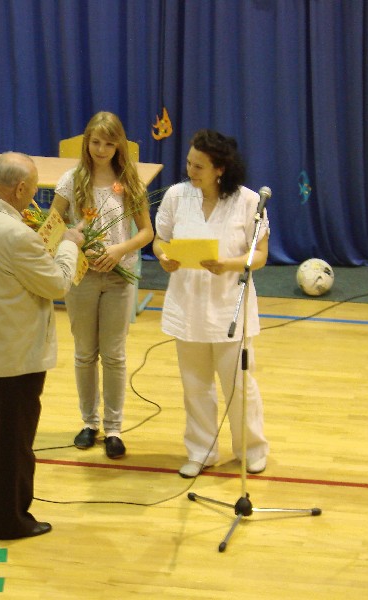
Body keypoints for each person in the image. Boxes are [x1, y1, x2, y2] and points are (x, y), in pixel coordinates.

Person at [0, 151, 85, 540]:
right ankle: (9, 519)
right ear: (20, 188)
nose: (35, 195)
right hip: (14, 357)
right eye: (33, 188)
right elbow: (57, 284)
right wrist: (69, 243)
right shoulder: (16, 235)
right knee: (13, 444)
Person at [152, 129, 270, 478]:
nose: (191, 170)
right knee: (195, 386)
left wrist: (228, 265)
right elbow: (160, 240)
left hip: (228, 307)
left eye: (199, 166)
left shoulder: (248, 201)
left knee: (240, 386)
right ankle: (201, 451)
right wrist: (163, 257)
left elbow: (260, 255)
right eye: (189, 163)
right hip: (187, 305)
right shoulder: (176, 196)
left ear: (220, 169)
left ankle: (251, 449)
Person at [52, 111, 154, 459]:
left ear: (119, 146)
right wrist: (74, 240)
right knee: (84, 353)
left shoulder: (129, 181)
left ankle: (113, 428)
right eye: (95, 142)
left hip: (117, 277)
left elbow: (146, 232)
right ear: (87, 142)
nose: (101, 149)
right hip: (81, 276)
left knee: (113, 355)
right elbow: (53, 224)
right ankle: (89, 422)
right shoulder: (71, 180)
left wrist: (119, 249)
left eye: (109, 144)